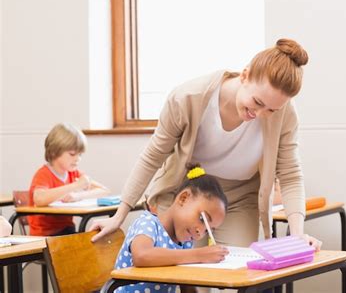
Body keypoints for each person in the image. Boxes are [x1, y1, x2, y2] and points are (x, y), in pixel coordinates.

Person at [91, 38, 321, 250]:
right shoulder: (188, 97)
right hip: (188, 192)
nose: (260, 114)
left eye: (271, 109)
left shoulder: (286, 116)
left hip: (240, 199)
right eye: (257, 102)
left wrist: (298, 234)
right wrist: (119, 215)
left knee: (238, 274)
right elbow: (153, 156)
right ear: (244, 75)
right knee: (186, 273)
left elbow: (290, 174)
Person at [113, 164, 229, 293]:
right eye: (202, 219)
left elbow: (186, 284)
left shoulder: (185, 242)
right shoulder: (148, 223)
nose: (200, 233)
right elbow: (141, 255)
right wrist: (199, 254)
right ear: (183, 199)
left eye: (207, 230)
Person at [28, 123, 110, 236]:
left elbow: (104, 190)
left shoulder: (74, 173)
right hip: (45, 235)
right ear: (54, 152)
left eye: (80, 155)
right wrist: (75, 186)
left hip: (67, 231)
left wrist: (78, 196)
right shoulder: (43, 174)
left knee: (98, 237)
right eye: (72, 154)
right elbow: (39, 199)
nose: (77, 159)